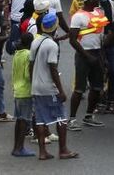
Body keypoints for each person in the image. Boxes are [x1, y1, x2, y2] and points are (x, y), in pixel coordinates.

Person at [30, 12, 77, 160]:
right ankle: (63, 150)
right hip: (48, 87)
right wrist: (61, 91)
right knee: (61, 118)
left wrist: (33, 82)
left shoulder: (35, 41)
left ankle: (42, 151)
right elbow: (53, 69)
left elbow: (31, 65)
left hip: (36, 86)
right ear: (55, 26)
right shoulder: (51, 44)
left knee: (40, 119)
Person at [67, 0, 109, 130]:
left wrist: (102, 57)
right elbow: (72, 40)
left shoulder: (99, 12)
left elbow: (101, 36)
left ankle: (89, 116)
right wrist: (87, 56)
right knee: (79, 88)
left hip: (97, 54)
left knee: (97, 87)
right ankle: (72, 119)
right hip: (83, 55)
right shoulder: (78, 16)